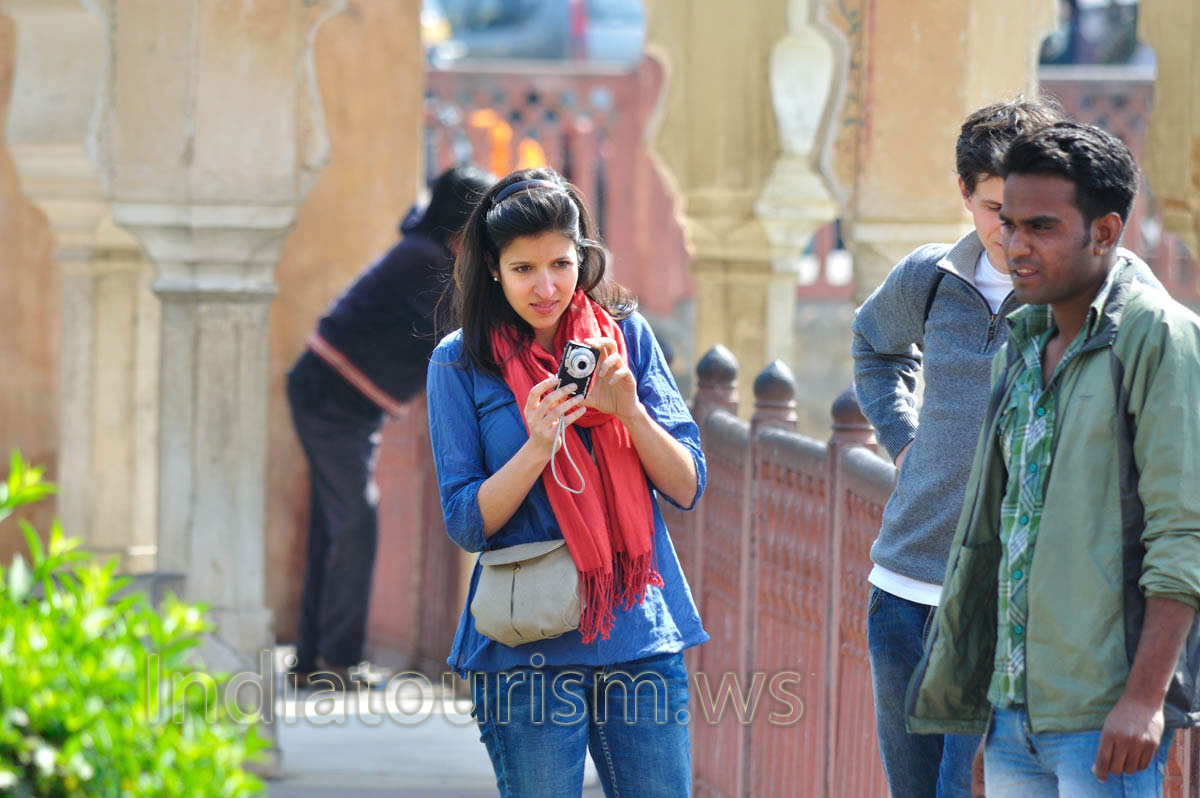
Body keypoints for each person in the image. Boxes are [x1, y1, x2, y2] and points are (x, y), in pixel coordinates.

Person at [907, 121, 1200, 797]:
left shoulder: (1156, 337)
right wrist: (986, 713)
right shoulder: (1022, 339)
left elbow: (1182, 534)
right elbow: (1000, 535)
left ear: (1104, 232)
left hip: (1103, 720)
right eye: (1008, 225)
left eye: (1041, 227)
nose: (1014, 247)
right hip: (1014, 716)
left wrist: (1145, 700)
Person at [426, 167, 707, 797]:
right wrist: (537, 446)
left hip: (636, 633)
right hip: (528, 644)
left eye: (560, 263)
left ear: (583, 257)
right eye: (524, 269)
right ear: (493, 269)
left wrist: (629, 410)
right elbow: (466, 520)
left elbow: (688, 485)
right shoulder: (458, 359)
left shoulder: (626, 337)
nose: (545, 287)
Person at [851, 97, 1067, 797]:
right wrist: (902, 439)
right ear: (965, 195)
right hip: (902, 588)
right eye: (992, 208)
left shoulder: (1082, 295)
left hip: (1004, 602)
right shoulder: (930, 276)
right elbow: (873, 344)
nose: (1008, 230)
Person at [287, 166, 494, 686]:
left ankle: (315, 660)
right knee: (353, 525)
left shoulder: (428, 255)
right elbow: (466, 333)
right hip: (330, 395)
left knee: (336, 528)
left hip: (342, 402)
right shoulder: (423, 261)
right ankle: (334, 662)